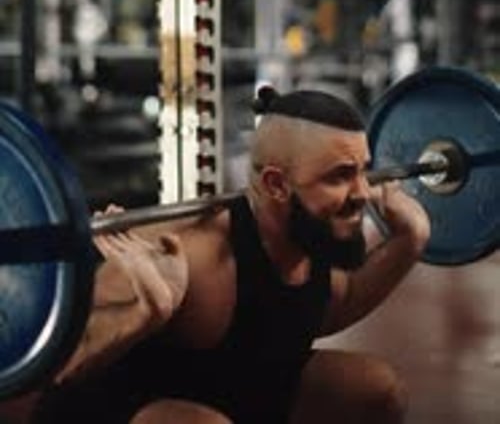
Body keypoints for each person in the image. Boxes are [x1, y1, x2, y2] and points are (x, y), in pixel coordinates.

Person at [32, 85, 430, 424]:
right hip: (124, 414)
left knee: (378, 391)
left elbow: (334, 303)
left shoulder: (311, 235)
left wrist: (408, 242)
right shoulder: (194, 253)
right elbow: (55, 367)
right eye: (340, 175)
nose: (362, 192)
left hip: (236, 399)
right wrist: (136, 313)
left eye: (363, 169)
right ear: (276, 185)